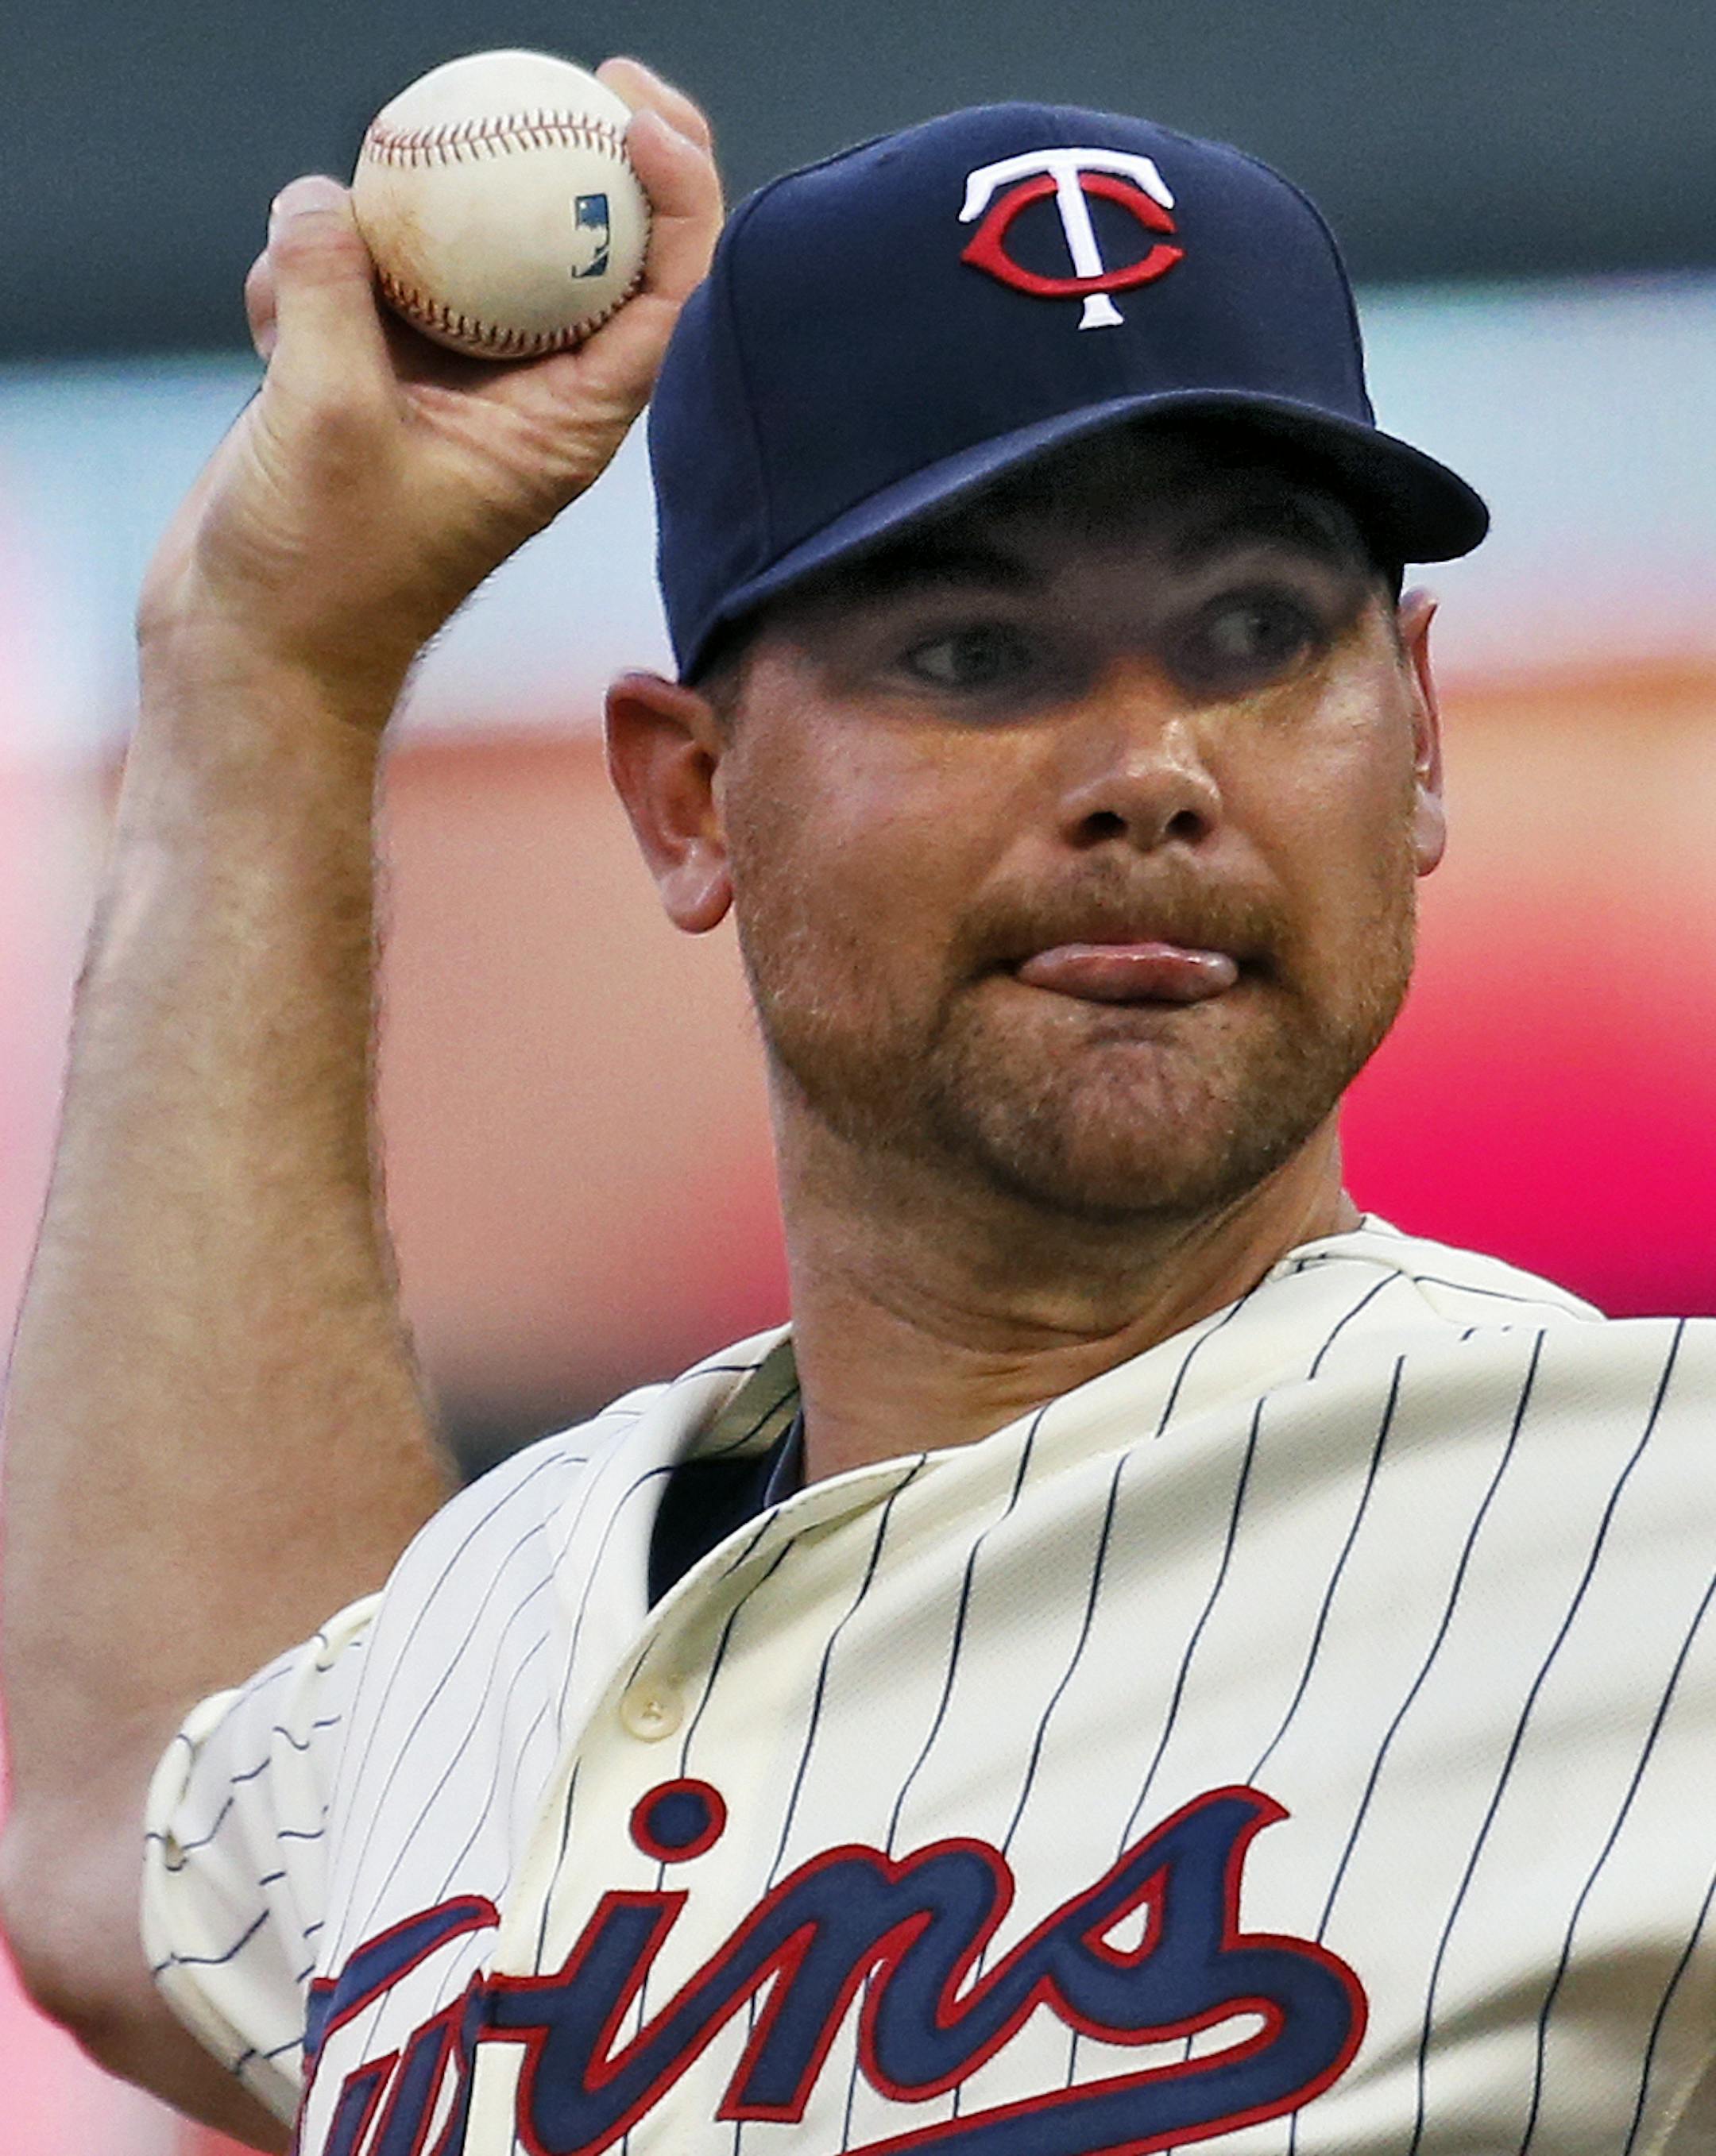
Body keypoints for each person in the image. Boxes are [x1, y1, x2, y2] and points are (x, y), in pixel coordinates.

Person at [2, 58, 1712, 2156]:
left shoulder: (1658, 1518)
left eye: (1257, 631)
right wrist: (272, 665)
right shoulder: (506, 1606)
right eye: (976, 653)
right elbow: (132, 1820)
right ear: (690, 798)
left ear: (1420, 738)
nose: (1152, 768)